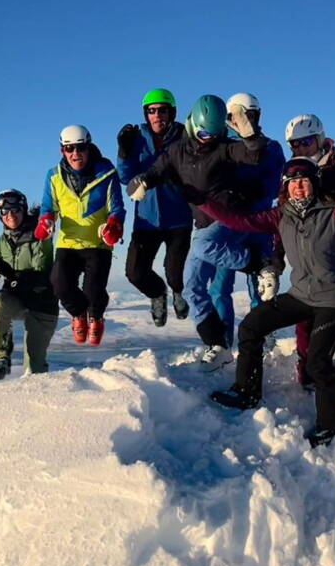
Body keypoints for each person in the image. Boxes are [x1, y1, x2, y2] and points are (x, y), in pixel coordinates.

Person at [200, 158, 335, 446]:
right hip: (301, 295)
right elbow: (239, 221)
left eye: (305, 181)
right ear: (286, 188)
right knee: (251, 326)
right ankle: (246, 391)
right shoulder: (281, 215)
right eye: (293, 183)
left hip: (334, 299)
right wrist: (203, 202)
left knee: (317, 359)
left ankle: (331, 423)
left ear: (314, 183)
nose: (299, 188)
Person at [127, 94, 269, 371]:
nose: (208, 139)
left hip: (228, 218)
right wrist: (143, 181)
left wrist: (250, 137)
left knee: (203, 247)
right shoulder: (177, 151)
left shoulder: (225, 148)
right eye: (203, 132)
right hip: (203, 223)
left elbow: (253, 155)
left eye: (214, 134)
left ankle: (257, 264)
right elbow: (157, 170)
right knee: (191, 286)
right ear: (193, 124)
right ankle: (218, 345)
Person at [282, 114, 335, 387]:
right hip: (309, 259)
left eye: (306, 141)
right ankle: (307, 374)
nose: (301, 148)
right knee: (305, 315)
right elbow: (284, 214)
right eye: (294, 144)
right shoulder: (294, 171)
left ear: (319, 139)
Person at [34, 125, 125, 346]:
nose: (75, 154)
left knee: (93, 290)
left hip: (98, 243)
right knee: (59, 284)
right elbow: (48, 207)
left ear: (89, 146)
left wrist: (114, 226)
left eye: (80, 148)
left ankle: (96, 315)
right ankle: (78, 314)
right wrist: (45, 222)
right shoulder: (54, 176)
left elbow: (117, 209)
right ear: (62, 151)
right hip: (68, 242)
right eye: (69, 149)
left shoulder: (106, 172)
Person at [209, 92, 286, 347]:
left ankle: (259, 341)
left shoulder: (270, 146)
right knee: (220, 287)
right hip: (229, 225)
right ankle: (221, 344)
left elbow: (275, 185)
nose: (246, 120)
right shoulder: (220, 146)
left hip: (258, 223)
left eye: (251, 115)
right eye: (241, 115)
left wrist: (255, 189)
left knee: (261, 287)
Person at [115, 88, 193, 326]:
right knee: (135, 272)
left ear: (172, 112)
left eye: (162, 110)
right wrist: (124, 152)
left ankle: (178, 291)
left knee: (174, 272)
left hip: (178, 217)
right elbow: (126, 178)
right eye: (152, 111)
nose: (157, 115)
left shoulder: (184, 137)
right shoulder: (138, 138)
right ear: (146, 114)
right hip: (147, 219)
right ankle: (158, 294)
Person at [0, 189, 59, 379]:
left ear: (23, 209)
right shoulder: (3, 241)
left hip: (42, 303)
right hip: (18, 298)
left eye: (14, 209)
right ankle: (0, 357)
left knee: (34, 368)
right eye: (4, 212)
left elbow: (41, 273)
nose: (10, 215)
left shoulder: (40, 234)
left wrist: (9, 274)